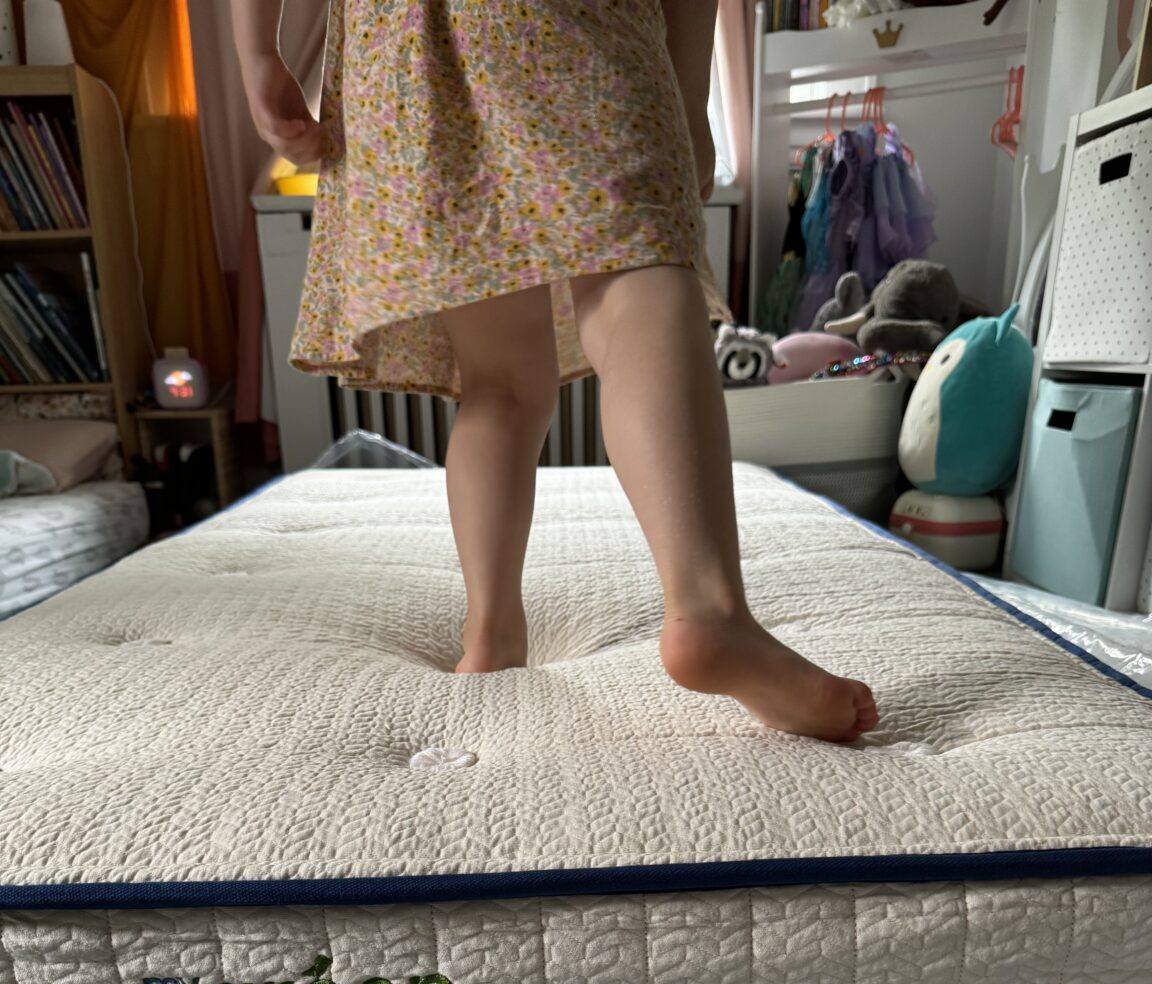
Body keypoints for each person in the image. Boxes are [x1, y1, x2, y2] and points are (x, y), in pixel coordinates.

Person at [232, 0, 878, 742]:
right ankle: (708, 610)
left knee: (499, 380)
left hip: (401, 42)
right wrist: (688, 93)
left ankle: (493, 637)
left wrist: (258, 54)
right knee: (634, 275)